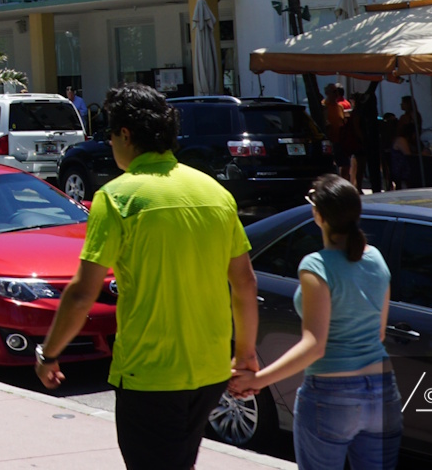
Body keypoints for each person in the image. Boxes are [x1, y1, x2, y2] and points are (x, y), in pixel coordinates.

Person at [35, 83, 258, 470]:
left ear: (126, 134)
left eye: (110, 134)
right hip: (210, 371)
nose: (109, 144)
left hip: (150, 373)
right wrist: (246, 353)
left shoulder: (118, 196)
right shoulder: (214, 192)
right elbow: (244, 283)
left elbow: (82, 293)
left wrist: (49, 353)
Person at [230, 175, 398, 470]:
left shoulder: (315, 265)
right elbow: (380, 332)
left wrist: (258, 380)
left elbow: (314, 345)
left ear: (318, 215)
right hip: (382, 390)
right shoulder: (377, 258)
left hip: (332, 394)